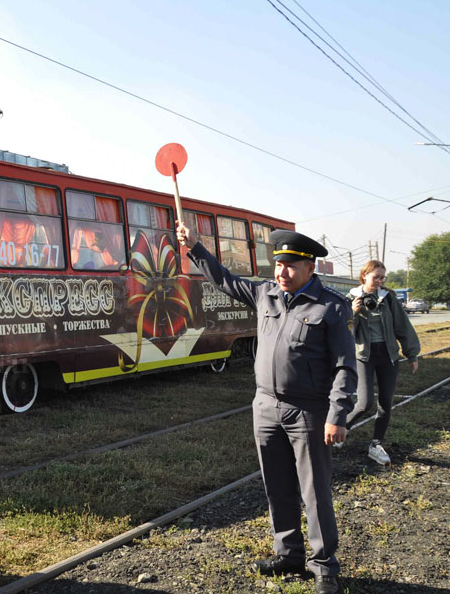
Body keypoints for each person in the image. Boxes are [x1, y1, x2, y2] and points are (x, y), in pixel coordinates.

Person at [177, 222, 356, 594]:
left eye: (290, 265)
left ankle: (324, 567)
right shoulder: (265, 295)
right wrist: (195, 247)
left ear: (311, 268)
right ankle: (288, 553)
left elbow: (345, 366)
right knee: (276, 485)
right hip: (266, 407)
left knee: (314, 492)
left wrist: (336, 415)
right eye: (278, 264)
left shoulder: (331, 308)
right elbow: (224, 279)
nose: (282, 272)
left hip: (309, 411)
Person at [342, 260, 420, 465]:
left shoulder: (388, 298)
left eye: (382, 277)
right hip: (363, 355)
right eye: (376, 276)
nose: (379, 281)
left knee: (386, 403)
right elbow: (342, 331)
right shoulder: (350, 298)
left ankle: (376, 444)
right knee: (364, 402)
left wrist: (411, 354)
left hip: (388, 355)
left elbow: (403, 325)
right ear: (364, 276)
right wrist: (353, 312)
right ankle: (341, 429)